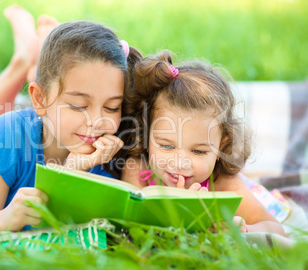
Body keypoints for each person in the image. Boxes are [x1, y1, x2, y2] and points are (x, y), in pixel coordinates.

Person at [0, 5, 142, 236]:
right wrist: (5, 219)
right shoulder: (8, 137)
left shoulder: (112, 155)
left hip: (41, 120)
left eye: (112, 107)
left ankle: (39, 58)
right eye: (79, 106)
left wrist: (74, 173)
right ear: (39, 100)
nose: (96, 121)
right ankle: (23, 60)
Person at [121, 50, 286, 236]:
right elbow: (129, 223)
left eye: (198, 151)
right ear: (147, 133)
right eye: (166, 146)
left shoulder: (222, 182)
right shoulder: (137, 170)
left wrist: (241, 229)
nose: (179, 162)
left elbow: (275, 229)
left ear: (221, 147)